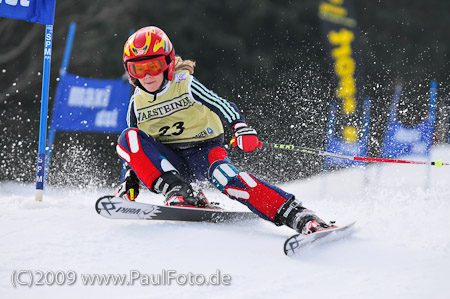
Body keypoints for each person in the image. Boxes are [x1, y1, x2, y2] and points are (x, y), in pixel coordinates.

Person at [114, 26, 332, 235]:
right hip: (172, 163)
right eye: (138, 68)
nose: (147, 75)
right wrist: (131, 178)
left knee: (226, 178)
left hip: (204, 152)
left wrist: (240, 127)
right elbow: (135, 149)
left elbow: (222, 105)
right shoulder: (137, 103)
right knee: (127, 136)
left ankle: (299, 216)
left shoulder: (184, 84)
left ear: (168, 63)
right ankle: (179, 192)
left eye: (153, 66)